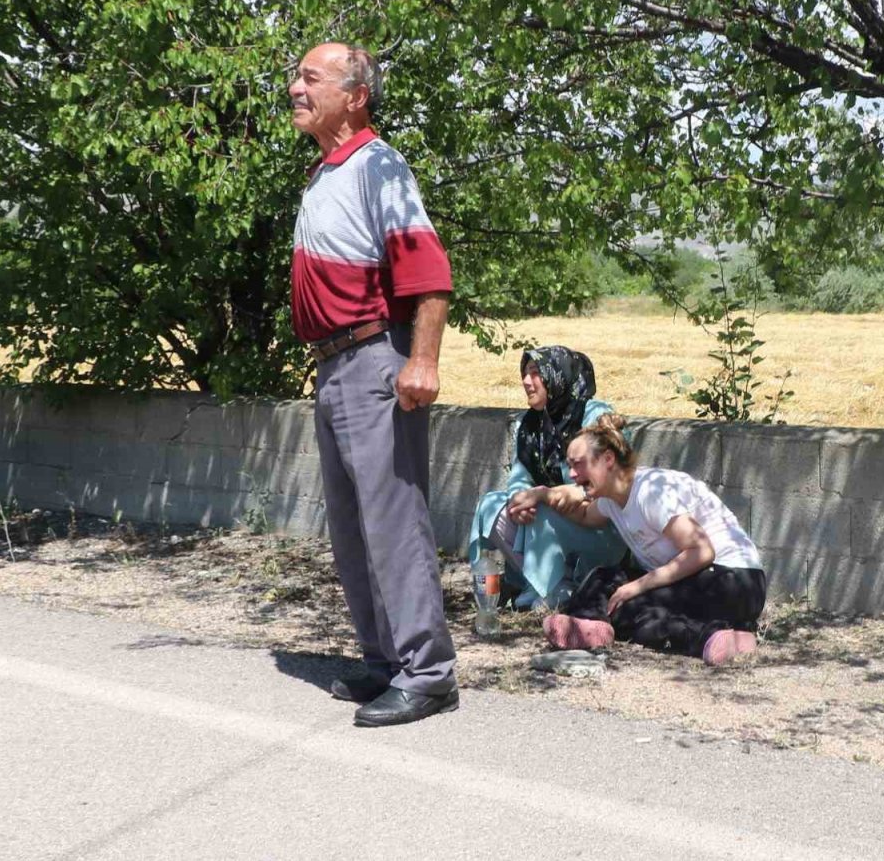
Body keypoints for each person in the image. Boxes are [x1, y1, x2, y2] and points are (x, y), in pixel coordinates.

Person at [287, 42, 458, 727]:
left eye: (311, 78)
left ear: (355, 96)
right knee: (354, 528)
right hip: (334, 363)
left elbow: (429, 272)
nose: (295, 88)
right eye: (296, 77)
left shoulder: (378, 164)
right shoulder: (326, 170)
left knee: (392, 523)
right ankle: (386, 662)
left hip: (372, 358)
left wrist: (422, 361)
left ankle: (429, 674)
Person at [540, 414, 766, 666]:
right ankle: (590, 624)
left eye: (579, 464)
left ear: (608, 459)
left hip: (733, 580)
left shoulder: (650, 492)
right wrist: (542, 496)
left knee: (632, 607)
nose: (572, 474)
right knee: (605, 578)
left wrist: (638, 586)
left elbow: (702, 551)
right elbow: (584, 515)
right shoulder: (611, 499)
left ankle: (714, 638)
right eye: (570, 466)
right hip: (703, 580)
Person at [466, 346, 627, 609]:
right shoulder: (529, 425)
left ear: (557, 376)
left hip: (597, 524)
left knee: (540, 504)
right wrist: (519, 501)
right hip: (549, 520)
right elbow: (519, 476)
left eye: (535, 373)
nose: (526, 381)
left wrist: (567, 493)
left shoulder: (594, 415)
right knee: (491, 505)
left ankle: (560, 588)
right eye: (524, 373)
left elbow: (617, 475)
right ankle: (538, 585)